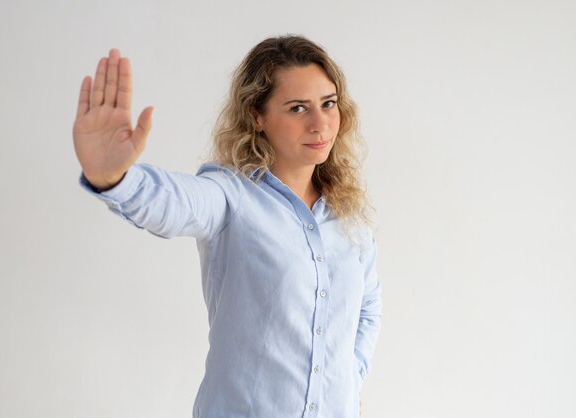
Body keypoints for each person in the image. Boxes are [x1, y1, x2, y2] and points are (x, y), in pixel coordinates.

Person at [73, 35, 382, 418]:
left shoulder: (347, 215)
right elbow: (175, 202)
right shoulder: (230, 197)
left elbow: (367, 307)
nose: (320, 124)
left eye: (328, 103)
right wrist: (114, 178)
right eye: (298, 108)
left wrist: (349, 380)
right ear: (257, 115)